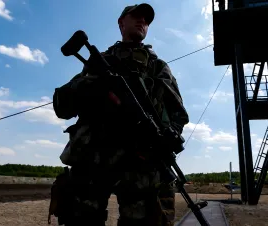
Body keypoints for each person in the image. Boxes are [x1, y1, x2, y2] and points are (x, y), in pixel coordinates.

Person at [49, 3, 189, 226]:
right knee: (80, 219)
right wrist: (89, 86)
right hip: (94, 157)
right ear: (121, 22)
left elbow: (179, 115)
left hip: (141, 161)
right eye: (136, 16)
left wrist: (166, 137)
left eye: (146, 19)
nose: (142, 21)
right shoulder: (99, 63)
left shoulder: (158, 67)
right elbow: (62, 107)